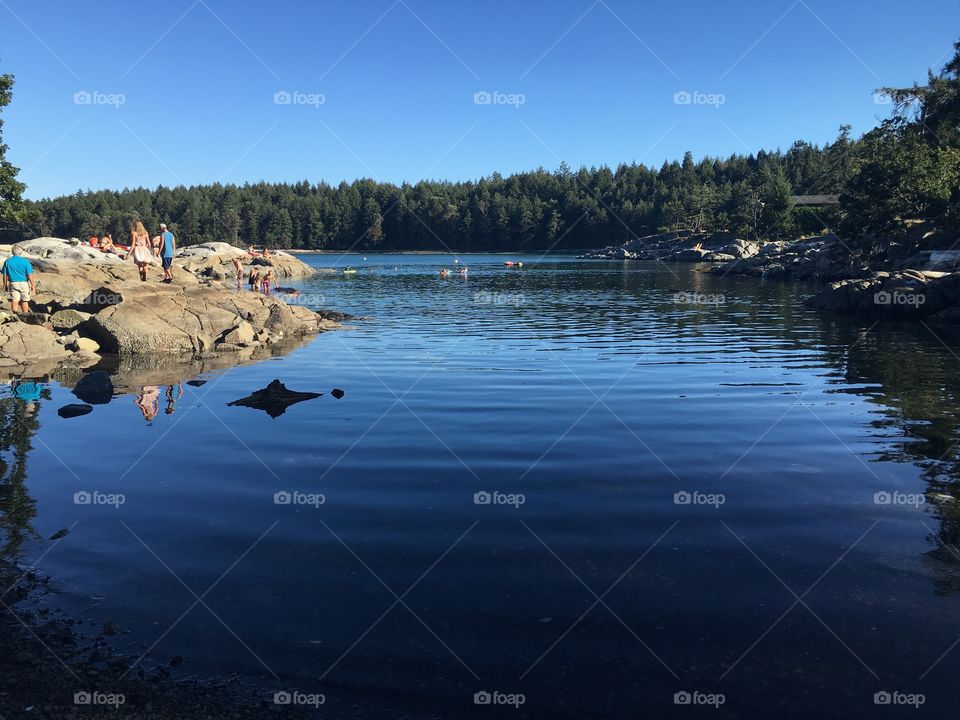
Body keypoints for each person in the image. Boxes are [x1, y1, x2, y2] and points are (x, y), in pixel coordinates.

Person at [2, 246, 36, 314]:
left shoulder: (7, 261)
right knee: (24, 301)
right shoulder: (25, 261)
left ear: (12, 252)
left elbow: (5, 275)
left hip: (13, 283)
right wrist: (33, 285)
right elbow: (29, 275)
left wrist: (5, 285)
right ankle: (25, 315)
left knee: (14, 300)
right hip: (23, 283)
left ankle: (15, 315)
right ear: (21, 253)